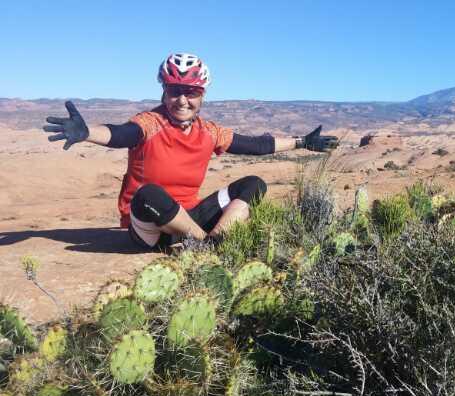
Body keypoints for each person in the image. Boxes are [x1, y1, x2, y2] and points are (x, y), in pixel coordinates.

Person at [43, 53, 339, 250]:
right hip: (152, 229)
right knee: (148, 194)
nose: (182, 100)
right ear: (164, 92)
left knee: (254, 184)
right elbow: (121, 134)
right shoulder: (150, 122)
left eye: (191, 92)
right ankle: (205, 247)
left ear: (202, 95)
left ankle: (217, 239)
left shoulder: (209, 132)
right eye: (174, 91)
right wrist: (87, 133)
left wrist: (302, 142)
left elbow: (257, 145)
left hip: (190, 217)